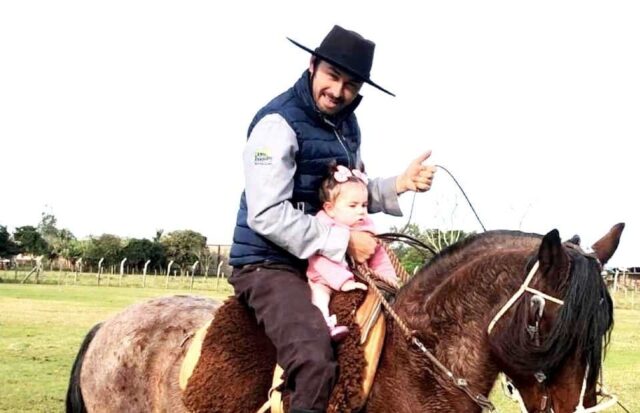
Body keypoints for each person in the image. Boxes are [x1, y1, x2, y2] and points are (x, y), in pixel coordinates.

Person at [228, 25, 436, 413]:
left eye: (351, 84)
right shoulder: (276, 125)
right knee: (314, 359)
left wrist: (399, 184)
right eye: (332, 76)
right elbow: (266, 213)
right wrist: (344, 242)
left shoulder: (346, 125)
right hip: (270, 263)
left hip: (325, 259)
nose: (338, 91)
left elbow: (344, 195)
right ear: (312, 65)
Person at [307, 164, 399, 342]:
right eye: (353, 205)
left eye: (364, 205)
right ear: (330, 208)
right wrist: (344, 282)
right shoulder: (323, 226)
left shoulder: (366, 226)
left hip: (357, 278)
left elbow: (379, 255)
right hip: (324, 279)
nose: (361, 211)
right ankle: (324, 325)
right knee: (319, 296)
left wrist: (388, 279)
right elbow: (320, 262)